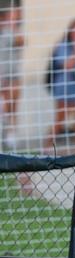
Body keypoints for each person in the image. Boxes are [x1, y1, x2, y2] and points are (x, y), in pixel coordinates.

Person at [44, 18, 75, 153]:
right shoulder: (62, 46)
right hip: (65, 89)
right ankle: (46, 147)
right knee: (59, 121)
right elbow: (67, 65)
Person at [0, 0, 24, 150]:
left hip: (12, 75)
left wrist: (12, 26)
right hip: (2, 74)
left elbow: (20, 41)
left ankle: (11, 134)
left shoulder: (15, 30)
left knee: (12, 106)